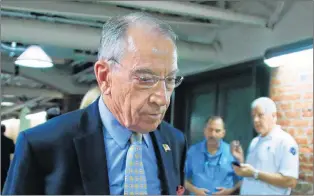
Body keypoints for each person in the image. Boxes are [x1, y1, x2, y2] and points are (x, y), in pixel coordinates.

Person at [3, 12, 187, 195]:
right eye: (145, 79)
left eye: (170, 80)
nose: (163, 98)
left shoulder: (174, 141)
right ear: (105, 76)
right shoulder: (43, 144)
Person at [231, 97, 299, 195]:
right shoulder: (255, 141)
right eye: (253, 116)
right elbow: (252, 172)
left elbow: (290, 181)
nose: (255, 120)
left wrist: (255, 174)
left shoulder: (285, 141)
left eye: (260, 115)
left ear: (274, 116)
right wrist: (241, 160)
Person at [184, 116, 242, 195]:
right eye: (210, 130)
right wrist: (195, 190)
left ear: (223, 133)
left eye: (217, 131)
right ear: (204, 131)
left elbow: (243, 180)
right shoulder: (193, 151)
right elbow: (181, 178)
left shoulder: (231, 152)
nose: (213, 134)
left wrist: (230, 191)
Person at [1, 125, 15, 192]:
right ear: (4, 130)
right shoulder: (9, 141)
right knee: (4, 184)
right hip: (5, 166)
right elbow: (13, 150)